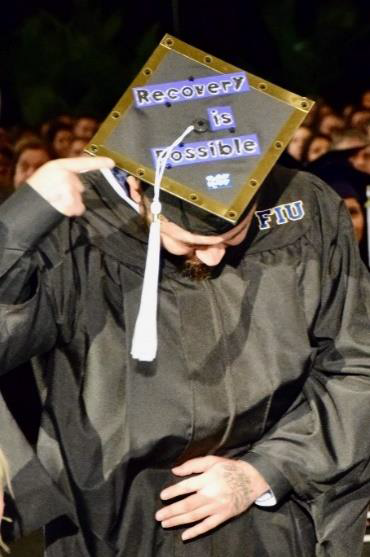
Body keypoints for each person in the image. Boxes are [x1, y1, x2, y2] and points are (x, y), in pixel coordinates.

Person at [0, 148, 369, 557]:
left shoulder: (304, 206)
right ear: (139, 188)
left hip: (272, 514)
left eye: (232, 236)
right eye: (194, 241)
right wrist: (18, 225)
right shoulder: (73, 225)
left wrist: (266, 471)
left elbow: (357, 361)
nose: (214, 255)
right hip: (114, 518)